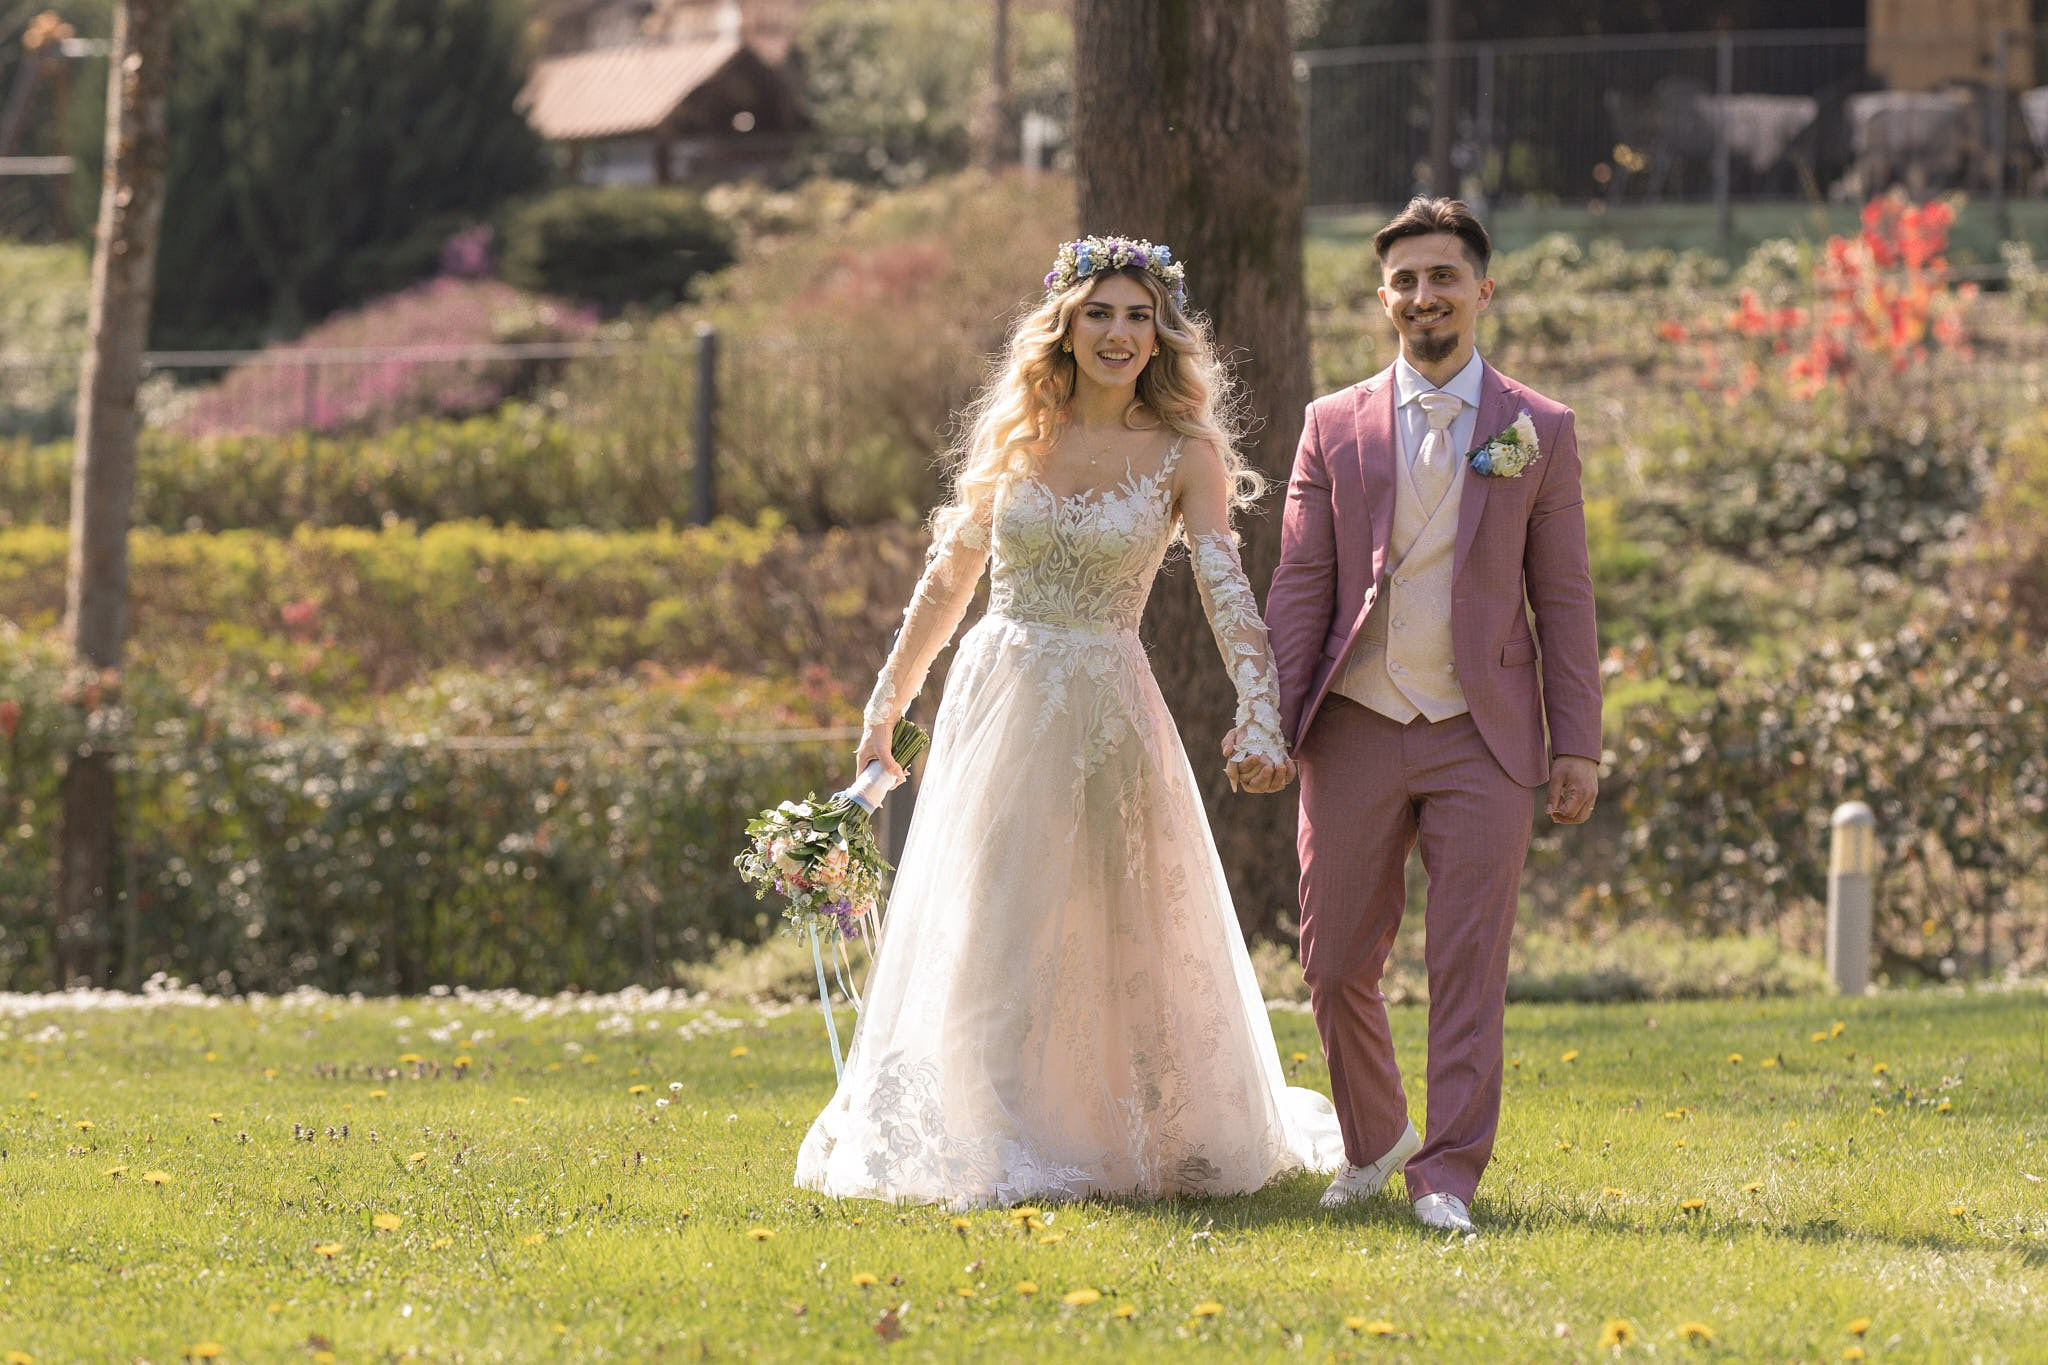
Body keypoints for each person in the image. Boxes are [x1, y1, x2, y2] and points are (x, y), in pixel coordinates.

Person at [795, 235, 1343, 1207]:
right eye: (1099, 313)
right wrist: (887, 702)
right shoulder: (1017, 438)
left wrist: (1260, 716)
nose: (1119, 333)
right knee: (995, 905)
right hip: (995, 694)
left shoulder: (1186, 455)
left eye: (1139, 317)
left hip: (1102, 701)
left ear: (1162, 335)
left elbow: (1224, 590)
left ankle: (1117, 1121)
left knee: (1104, 914)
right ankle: (989, 1119)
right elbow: (947, 579)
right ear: (1065, 326)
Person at [1260, 198, 1602, 1234]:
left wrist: (1574, 742)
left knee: (1465, 963)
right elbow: (1299, 585)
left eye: (1441, 278)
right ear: (1382, 300)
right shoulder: (1330, 425)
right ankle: (1374, 1142)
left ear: (1481, 291)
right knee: (1329, 963)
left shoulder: (1536, 431)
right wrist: (1270, 724)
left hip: (1482, 733)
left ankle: (1446, 1172)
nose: (1422, 297)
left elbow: (1566, 596)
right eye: (1403, 282)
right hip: (1355, 722)